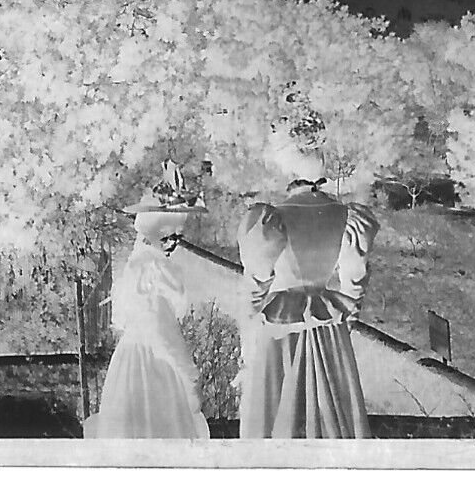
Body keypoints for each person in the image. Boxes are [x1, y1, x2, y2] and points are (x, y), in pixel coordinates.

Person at [236, 144, 380, 438]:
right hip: (329, 330)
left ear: (288, 172)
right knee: (332, 411)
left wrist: (250, 321)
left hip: (280, 329)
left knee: (276, 412)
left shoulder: (270, 219)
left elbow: (257, 283)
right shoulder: (348, 217)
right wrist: (347, 319)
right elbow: (355, 280)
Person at [84, 160, 211, 440]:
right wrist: (191, 378)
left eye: (177, 237)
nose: (174, 244)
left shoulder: (137, 264)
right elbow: (162, 333)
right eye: (168, 237)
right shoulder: (152, 271)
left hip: (131, 362)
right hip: (151, 367)